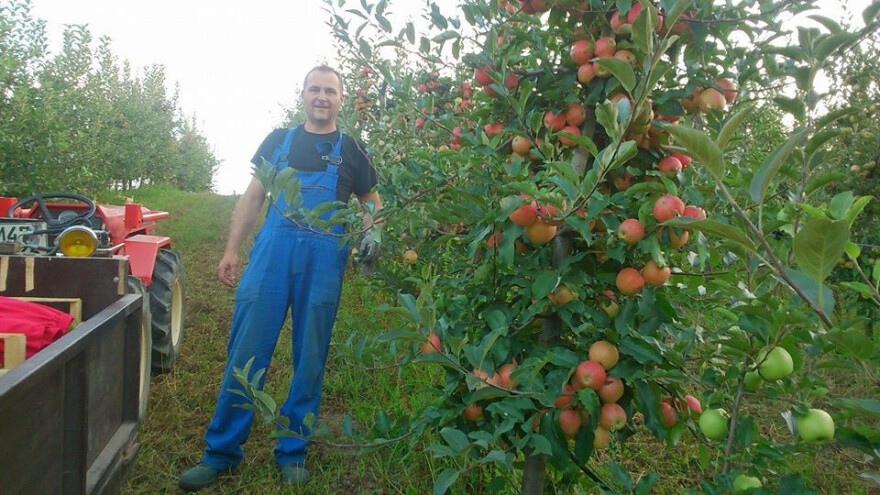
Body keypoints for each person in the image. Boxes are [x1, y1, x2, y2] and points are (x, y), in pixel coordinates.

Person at [179, 65, 381, 491]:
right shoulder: (278, 141)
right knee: (246, 350)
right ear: (303, 95)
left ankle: (293, 450)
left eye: (330, 90)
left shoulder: (351, 149)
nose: (321, 97)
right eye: (314, 89)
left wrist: (371, 232)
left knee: (310, 355)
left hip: (324, 261)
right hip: (271, 256)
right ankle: (221, 451)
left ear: (341, 99)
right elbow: (253, 198)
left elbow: (369, 200)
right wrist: (233, 249)